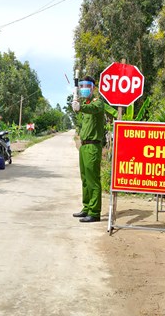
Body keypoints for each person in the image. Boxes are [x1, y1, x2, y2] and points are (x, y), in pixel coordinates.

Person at [71, 76, 105, 223]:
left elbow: (93, 109)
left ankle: (95, 212)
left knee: (93, 180)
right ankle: (87, 207)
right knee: (84, 179)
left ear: (93, 87)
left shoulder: (97, 103)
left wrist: (81, 107)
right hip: (84, 146)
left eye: (87, 86)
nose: (84, 89)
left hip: (93, 146)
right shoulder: (85, 105)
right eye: (82, 86)